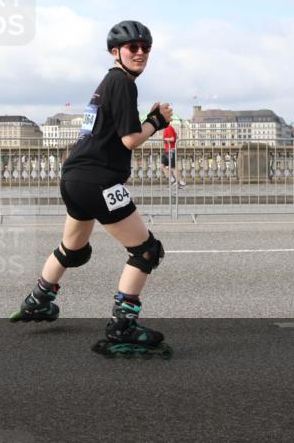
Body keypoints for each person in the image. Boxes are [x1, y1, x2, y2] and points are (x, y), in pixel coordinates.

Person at [10, 20, 173, 358]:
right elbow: (130, 139)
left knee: (73, 250)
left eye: (146, 47)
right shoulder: (123, 84)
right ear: (116, 52)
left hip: (74, 177)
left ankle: (40, 299)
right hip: (99, 180)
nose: (141, 52)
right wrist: (157, 121)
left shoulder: (106, 84)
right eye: (133, 48)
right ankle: (122, 325)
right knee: (146, 251)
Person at [161, 122, 185, 188]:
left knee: (173, 167)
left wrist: (164, 139)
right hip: (167, 150)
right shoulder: (169, 128)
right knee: (162, 166)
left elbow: (173, 139)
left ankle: (180, 182)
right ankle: (173, 179)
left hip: (171, 150)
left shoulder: (168, 128)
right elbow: (177, 137)